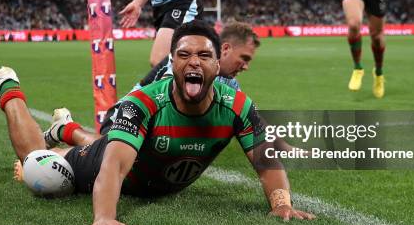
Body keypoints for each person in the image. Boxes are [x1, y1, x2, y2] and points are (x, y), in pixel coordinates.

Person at [0, 21, 314, 225]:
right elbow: (112, 167)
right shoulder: (142, 103)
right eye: (184, 54)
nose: (194, 62)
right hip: (96, 167)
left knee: (105, 147)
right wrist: (105, 217)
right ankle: (7, 88)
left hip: (146, 174)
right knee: (37, 169)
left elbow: (266, 159)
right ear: (171, 63)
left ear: (217, 63)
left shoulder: (236, 105)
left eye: (204, 56)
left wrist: (281, 205)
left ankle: (65, 129)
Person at [43, 21, 261, 147]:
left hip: (156, 126)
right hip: (128, 114)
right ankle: (66, 131)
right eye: (245, 58)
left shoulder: (228, 84)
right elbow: (164, 105)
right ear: (224, 49)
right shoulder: (181, 66)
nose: (246, 66)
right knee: (107, 154)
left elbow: (247, 119)